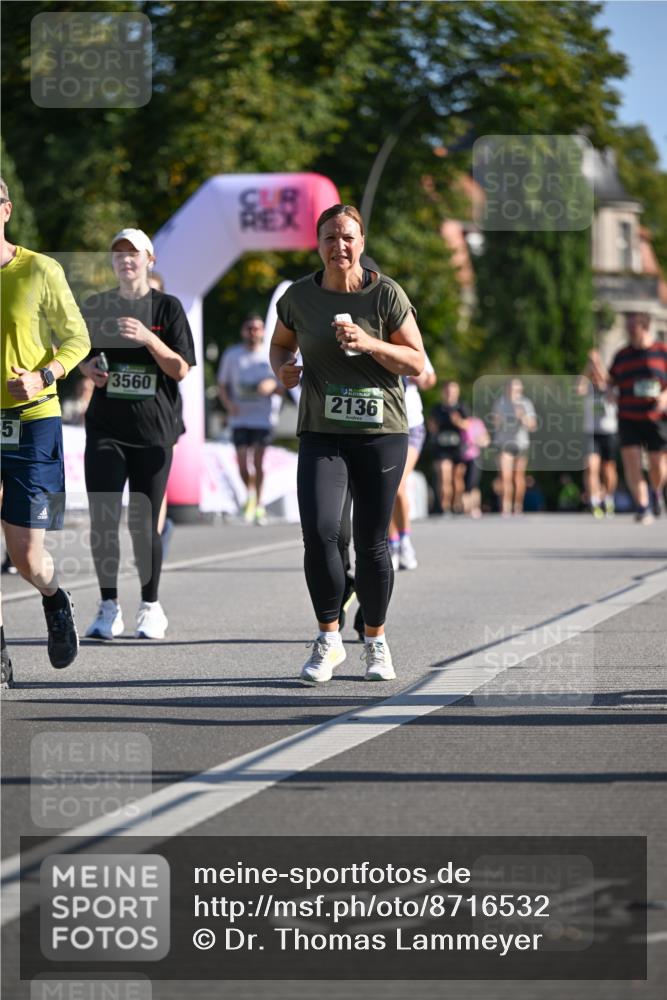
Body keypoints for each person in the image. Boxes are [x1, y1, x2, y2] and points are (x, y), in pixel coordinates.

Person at [270, 204, 424, 684]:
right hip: (322, 431)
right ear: (318, 244)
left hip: (381, 434)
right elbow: (280, 344)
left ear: (361, 243)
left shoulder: (386, 294)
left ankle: (375, 640)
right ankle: (329, 636)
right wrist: (283, 370)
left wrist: (369, 342)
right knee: (320, 533)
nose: (339, 245)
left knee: (372, 542)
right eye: (330, 237)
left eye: (348, 237)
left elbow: (416, 361)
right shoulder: (299, 296)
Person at [79, 228, 196, 640]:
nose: (126, 260)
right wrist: (87, 369)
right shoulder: (97, 306)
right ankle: (108, 605)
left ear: (150, 260)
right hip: (106, 428)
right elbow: (77, 353)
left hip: (153, 431)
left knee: (144, 524)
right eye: (119, 254)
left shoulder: (168, 307)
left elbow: (181, 369)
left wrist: (149, 338)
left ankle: (150, 605)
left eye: (134, 253)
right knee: (103, 519)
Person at [1, 177, 90, 688]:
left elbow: (77, 339)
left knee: (27, 557)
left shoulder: (39, 269)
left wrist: (44, 375)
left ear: (6, 210)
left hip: (33, 421)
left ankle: (55, 600)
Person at [218, 314, 277, 526]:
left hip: (263, 419)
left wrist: (272, 385)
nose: (253, 332)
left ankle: (259, 504)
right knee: (243, 464)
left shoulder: (270, 355)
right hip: (239, 417)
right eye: (249, 328)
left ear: (263, 331)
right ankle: (251, 494)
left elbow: (282, 385)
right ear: (243, 331)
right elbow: (222, 385)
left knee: (258, 462)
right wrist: (228, 405)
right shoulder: (232, 355)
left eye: (257, 328)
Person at [609, 313, 667, 524]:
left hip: (655, 416)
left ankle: (656, 492)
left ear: (645, 327)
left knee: (657, 464)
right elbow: (611, 381)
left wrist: (664, 397)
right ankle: (642, 506)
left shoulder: (662, 351)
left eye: (633, 328)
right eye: (628, 328)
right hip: (628, 415)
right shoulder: (622, 355)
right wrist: (610, 392)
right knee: (631, 461)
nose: (630, 332)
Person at [386, 356, 436, 570]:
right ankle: (393, 543)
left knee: (396, 484)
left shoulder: (408, 341)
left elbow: (430, 379)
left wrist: (421, 377)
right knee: (385, 487)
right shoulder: (371, 342)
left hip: (411, 426)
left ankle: (404, 541)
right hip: (384, 426)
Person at [577, 349, 618, 518]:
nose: (595, 376)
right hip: (591, 433)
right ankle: (594, 501)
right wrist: (589, 366)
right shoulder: (588, 390)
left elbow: (608, 381)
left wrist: (598, 363)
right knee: (590, 466)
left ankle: (608, 498)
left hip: (609, 432)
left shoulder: (610, 389)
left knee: (608, 469)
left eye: (597, 373)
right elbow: (579, 387)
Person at [491, 378, 537, 516]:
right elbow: (494, 423)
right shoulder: (500, 403)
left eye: (516, 389)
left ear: (520, 390)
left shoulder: (526, 403)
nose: (513, 392)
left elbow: (533, 425)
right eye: (511, 389)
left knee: (518, 477)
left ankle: (517, 506)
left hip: (521, 444)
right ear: (506, 389)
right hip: (504, 444)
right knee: (505, 476)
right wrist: (498, 420)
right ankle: (505, 506)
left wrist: (522, 417)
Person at [427, 380, 468, 515]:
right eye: (448, 391)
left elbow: (468, 426)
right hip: (442, 449)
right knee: (444, 476)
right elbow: (431, 428)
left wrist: (458, 421)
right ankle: (444, 507)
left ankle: (456, 503)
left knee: (457, 479)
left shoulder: (462, 407)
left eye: (453, 391)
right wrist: (432, 427)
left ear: (458, 393)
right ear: (443, 392)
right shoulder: (437, 409)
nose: (450, 394)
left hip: (458, 449)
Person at [460, 415, 490, 518]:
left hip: (474, 457)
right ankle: (466, 508)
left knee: (473, 483)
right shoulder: (461, 422)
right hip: (461, 457)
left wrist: (479, 441)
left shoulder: (478, 423)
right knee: (464, 484)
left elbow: (486, 440)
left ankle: (475, 507)